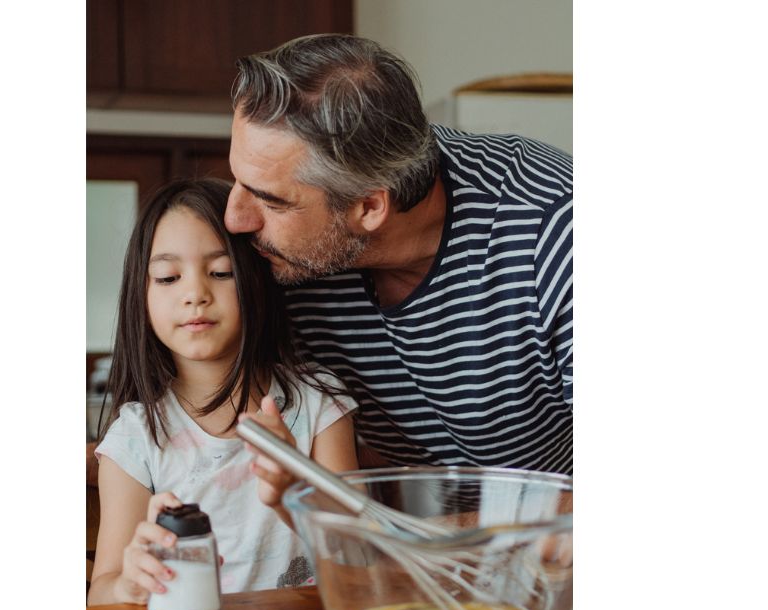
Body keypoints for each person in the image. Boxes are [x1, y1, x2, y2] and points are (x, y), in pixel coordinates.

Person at [224, 34, 573, 476]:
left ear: (369, 207)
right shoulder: (284, 252)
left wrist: (436, 537)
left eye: (271, 201)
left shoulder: (557, 233)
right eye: (236, 179)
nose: (234, 219)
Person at [87, 178, 358, 607]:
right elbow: (102, 593)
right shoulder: (135, 438)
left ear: (255, 280)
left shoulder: (319, 405)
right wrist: (129, 584)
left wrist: (293, 495)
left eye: (220, 272)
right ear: (141, 295)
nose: (195, 294)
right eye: (168, 277)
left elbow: (357, 556)